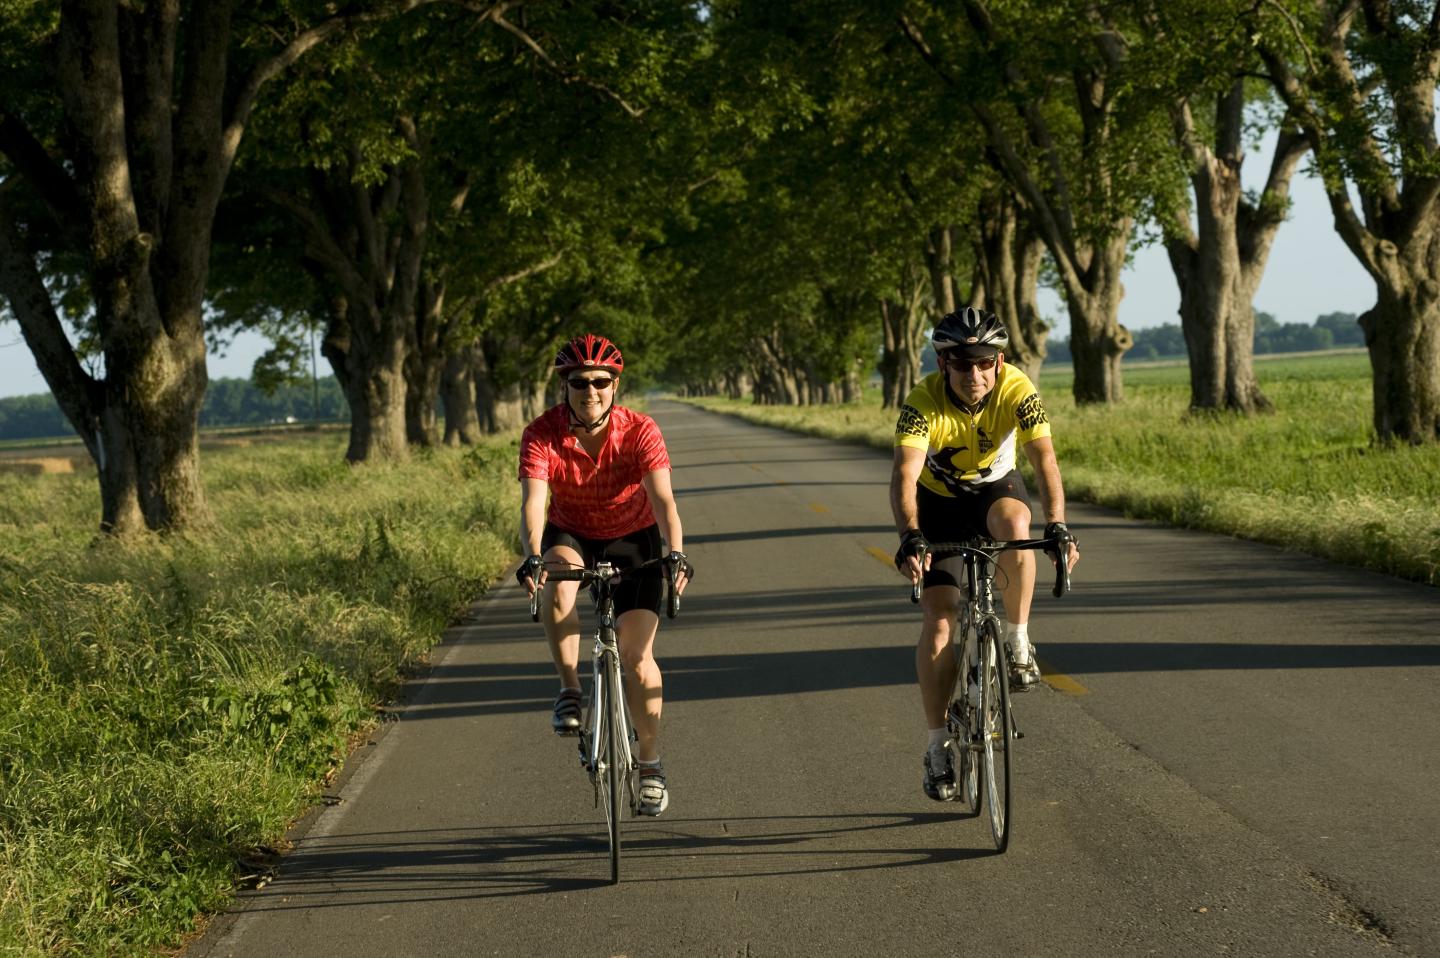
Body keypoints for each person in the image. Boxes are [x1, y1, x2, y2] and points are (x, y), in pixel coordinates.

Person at [889, 307, 1079, 802]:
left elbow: (1044, 458)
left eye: (983, 363)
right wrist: (910, 535)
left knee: (1017, 526)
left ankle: (1017, 641)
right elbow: (905, 475)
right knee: (940, 618)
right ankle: (937, 745)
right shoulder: (922, 403)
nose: (973, 374)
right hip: (939, 503)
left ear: (1000, 362)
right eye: (960, 363)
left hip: (996, 491)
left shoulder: (1018, 389)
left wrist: (1057, 525)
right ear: (942, 363)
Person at [516, 333, 692, 817]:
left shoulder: (640, 430)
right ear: (565, 387)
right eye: (579, 382)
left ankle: (650, 764)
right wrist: (533, 555)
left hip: (634, 538)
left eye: (600, 381)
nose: (590, 391)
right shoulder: (541, 433)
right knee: (557, 586)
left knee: (637, 658)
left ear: (615, 386)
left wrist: (676, 553)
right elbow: (533, 503)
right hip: (571, 533)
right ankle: (570, 690)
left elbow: (664, 501)